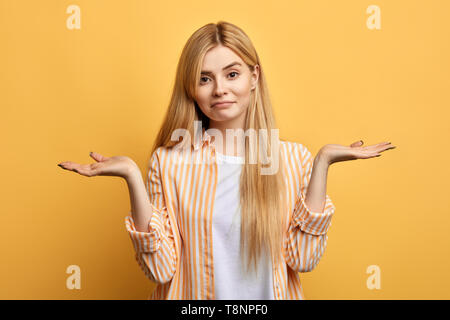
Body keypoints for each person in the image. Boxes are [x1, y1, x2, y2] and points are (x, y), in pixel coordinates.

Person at [57, 21, 396, 300]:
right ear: (192, 89)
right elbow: (160, 270)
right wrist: (131, 174)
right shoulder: (169, 163)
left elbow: (303, 260)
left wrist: (323, 161)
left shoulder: (294, 160)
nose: (219, 89)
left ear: (254, 77)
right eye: (205, 78)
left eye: (232, 74)